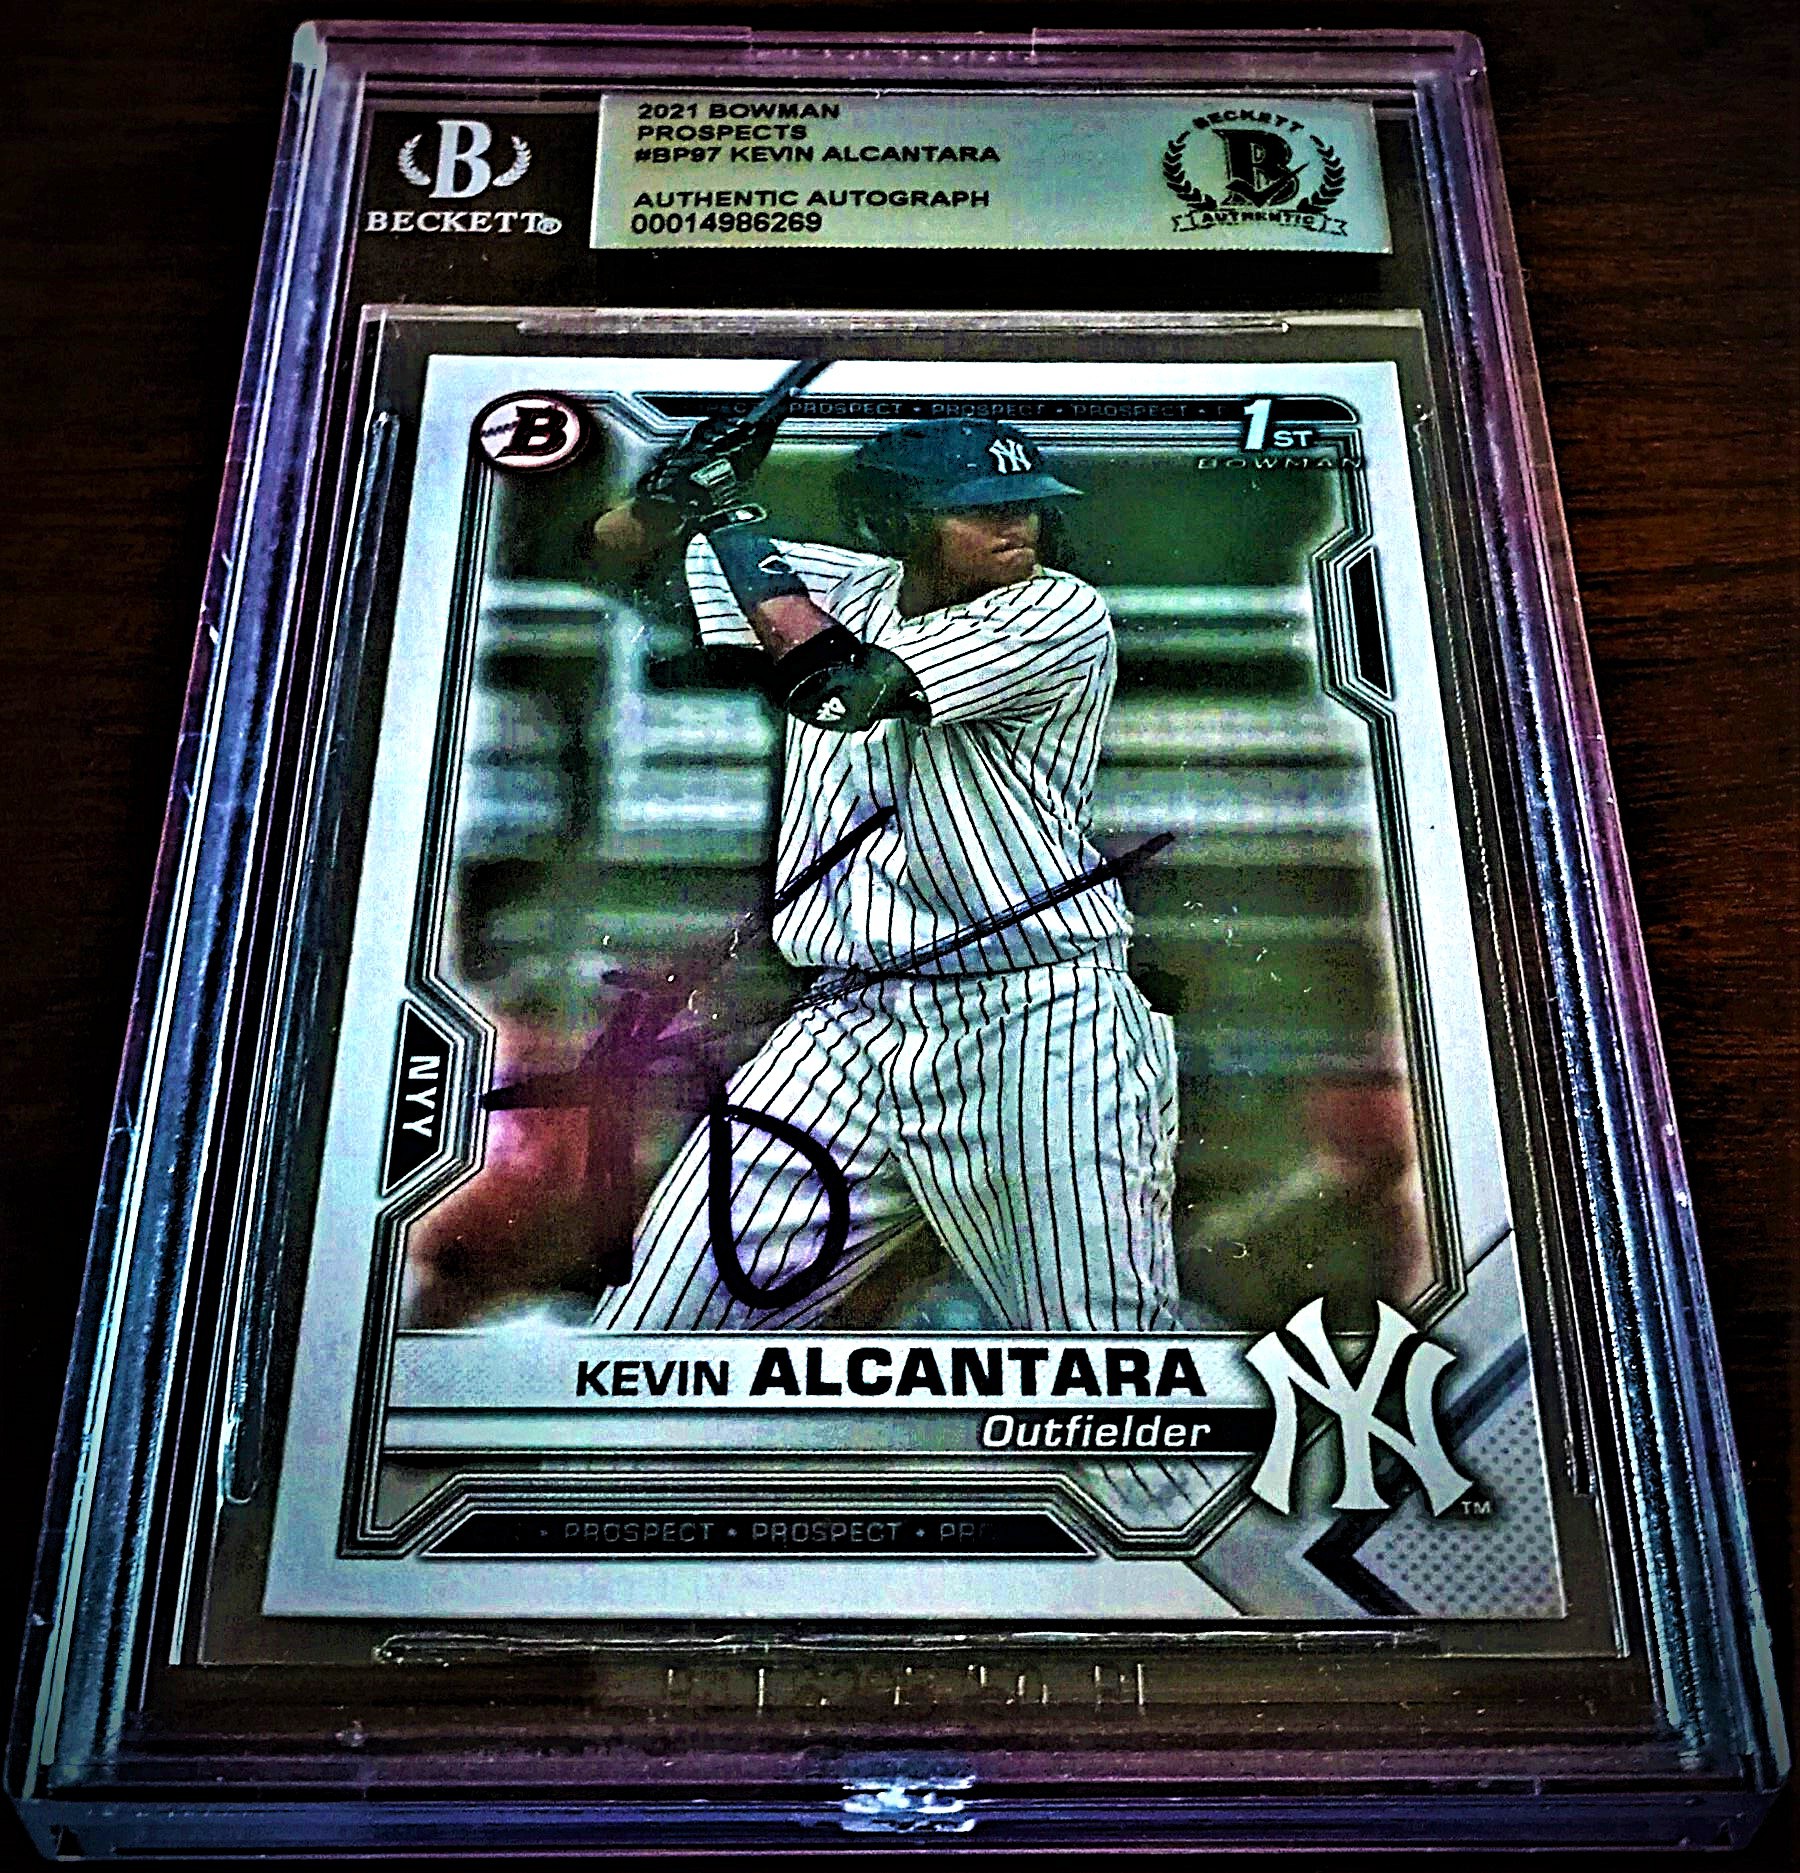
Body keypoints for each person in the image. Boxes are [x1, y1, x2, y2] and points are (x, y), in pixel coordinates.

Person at [581, 412, 1182, 1334]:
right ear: (897, 523)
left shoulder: (1057, 611)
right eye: (978, 507)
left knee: (1103, 1365)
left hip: (1036, 1023)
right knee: (652, 1338)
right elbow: (609, 561)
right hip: (843, 1026)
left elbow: (841, 685)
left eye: (1024, 502)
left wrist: (728, 513)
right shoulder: (843, 584)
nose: (1015, 523)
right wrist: (670, 497)